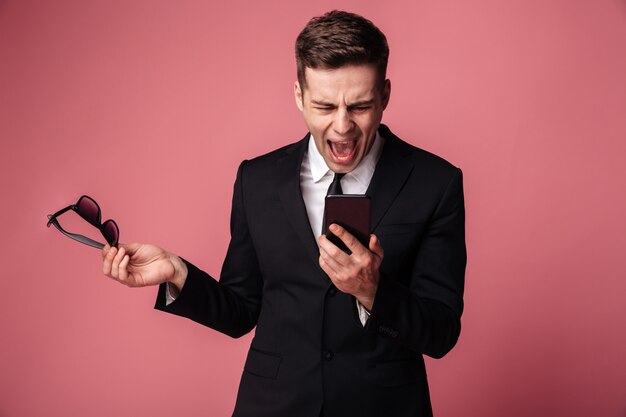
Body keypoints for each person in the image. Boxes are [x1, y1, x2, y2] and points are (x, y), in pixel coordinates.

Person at [101, 10, 466, 417]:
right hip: (273, 405)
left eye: (360, 106)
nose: (342, 126)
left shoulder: (436, 182)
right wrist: (176, 272)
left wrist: (371, 290)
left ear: (384, 95)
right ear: (298, 96)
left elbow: (441, 332)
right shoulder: (256, 180)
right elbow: (241, 310)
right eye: (325, 106)